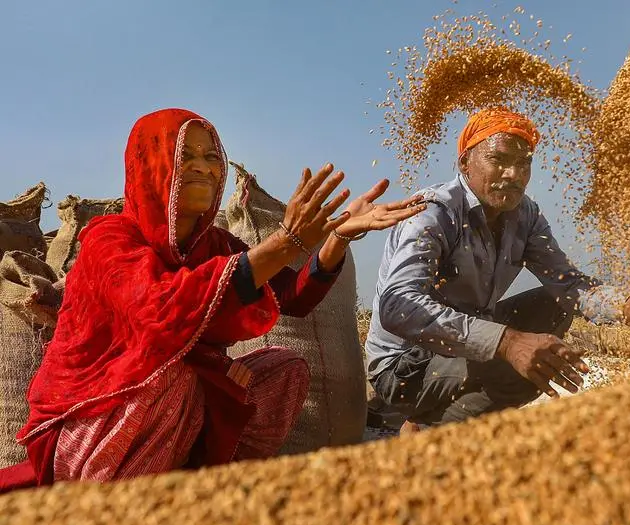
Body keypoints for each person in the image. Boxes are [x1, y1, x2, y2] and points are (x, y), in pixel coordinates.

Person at [0, 108, 425, 492]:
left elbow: (289, 297)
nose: (203, 167)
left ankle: (216, 491)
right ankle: (130, 508)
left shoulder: (215, 244)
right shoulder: (109, 239)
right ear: (152, 167)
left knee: (284, 369)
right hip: (90, 426)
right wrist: (284, 242)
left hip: (175, 409)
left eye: (211, 156)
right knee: (171, 378)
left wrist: (337, 238)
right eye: (186, 156)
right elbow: (159, 314)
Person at [365, 107, 630, 429]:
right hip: (404, 367)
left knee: (552, 306)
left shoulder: (525, 216)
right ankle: (431, 427)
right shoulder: (434, 212)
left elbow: (569, 284)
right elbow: (398, 306)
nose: (513, 174)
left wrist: (629, 305)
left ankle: (432, 420)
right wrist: (507, 342)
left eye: (524, 163)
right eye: (499, 159)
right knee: (520, 361)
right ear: (465, 163)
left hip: (464, 349)